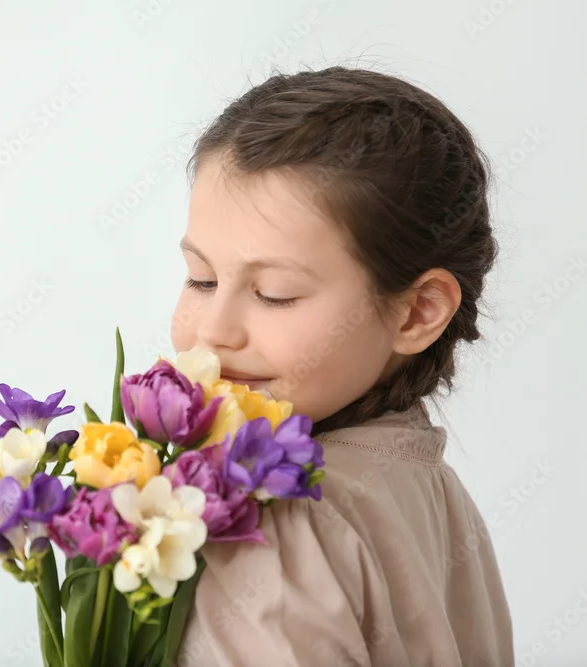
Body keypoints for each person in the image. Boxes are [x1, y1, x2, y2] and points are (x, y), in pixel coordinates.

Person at [172, 67, 513, 666]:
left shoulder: (272, 518)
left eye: (274, 293)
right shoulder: (433, 492)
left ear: (418, 312)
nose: (214, 331)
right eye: (202, 279)